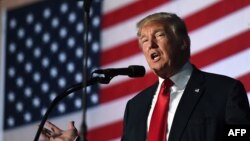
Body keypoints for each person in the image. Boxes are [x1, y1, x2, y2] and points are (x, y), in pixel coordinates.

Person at [41, 12, 250, 141]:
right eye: (143, 40)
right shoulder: (136, 106)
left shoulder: (223, 91)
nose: (150, 44)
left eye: (159, 35)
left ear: (183, 42)